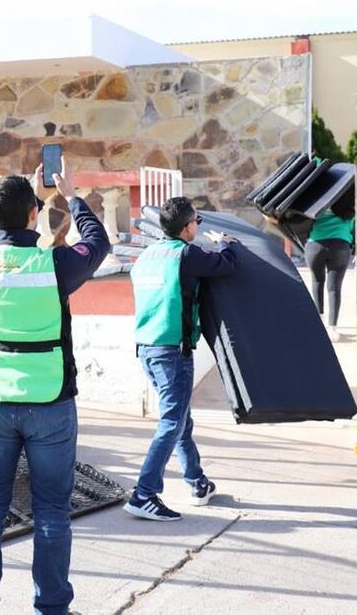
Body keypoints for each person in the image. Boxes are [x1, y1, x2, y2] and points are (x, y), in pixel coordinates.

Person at [0, 161, 110, 615]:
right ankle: (51, 608)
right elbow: (97, 243)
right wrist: (70, 196)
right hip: (49, 404)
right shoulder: (54, 264)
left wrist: (14, 206)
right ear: (33, 216)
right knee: (51, 511)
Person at [124, 198, 238, 522]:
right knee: (173, 422)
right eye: (197, 222)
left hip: (146, 348)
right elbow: (227, 265)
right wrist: (226, 244)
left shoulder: (146, 255)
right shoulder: (186, 254)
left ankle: (197, 483)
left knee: (180, 420)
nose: (198, 227)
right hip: (173, 352)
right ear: (187, 226)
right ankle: (144, 494)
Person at [304, 188, 355, 341]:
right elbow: (352, 231)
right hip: (340, 247)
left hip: (315, 247)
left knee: (317, 282)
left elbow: (303, 227)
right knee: (334, 288)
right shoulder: (349, 212)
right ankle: (332, 329)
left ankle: (318, 326)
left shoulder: (315, 210)